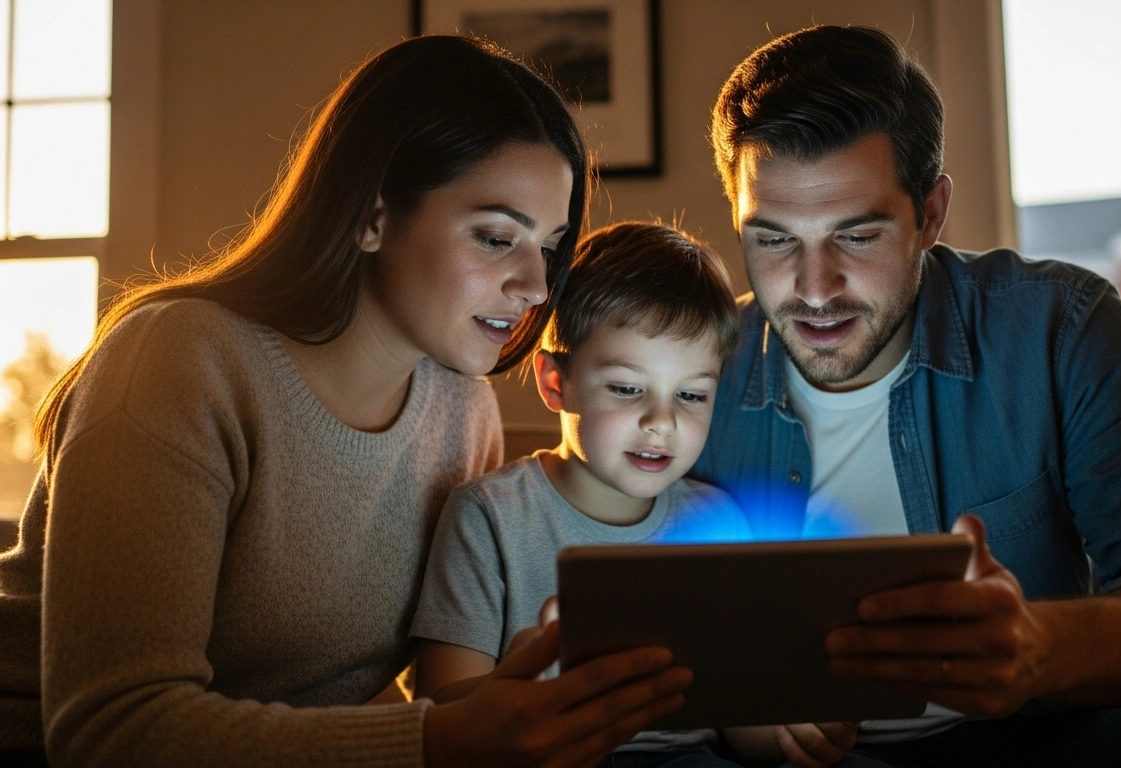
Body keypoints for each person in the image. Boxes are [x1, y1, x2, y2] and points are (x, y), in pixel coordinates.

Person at [691, 25, 1121, 767]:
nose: (814, 288)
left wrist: (1042, 648)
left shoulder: (1061, 326)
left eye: (856, 237)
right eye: (773, 240)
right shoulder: (692, 376)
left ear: (930, 214)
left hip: (1038, 738)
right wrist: (741, 719)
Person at [0, 36, 691, 768]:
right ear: (372, 216)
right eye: (495, 238)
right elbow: (111, 729)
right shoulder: (181, 361)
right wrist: (442, 740)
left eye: (549, 247)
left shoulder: (462, 414)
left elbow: (335, 702)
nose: (536, 285)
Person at [410, 221, 777, 768]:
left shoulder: (720, 522)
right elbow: (444, 715)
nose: (662, 422)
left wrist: (798, 728)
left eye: (692, 395)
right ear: (557, 383)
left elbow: (743, 725)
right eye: (628, 389)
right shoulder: (490, 517)